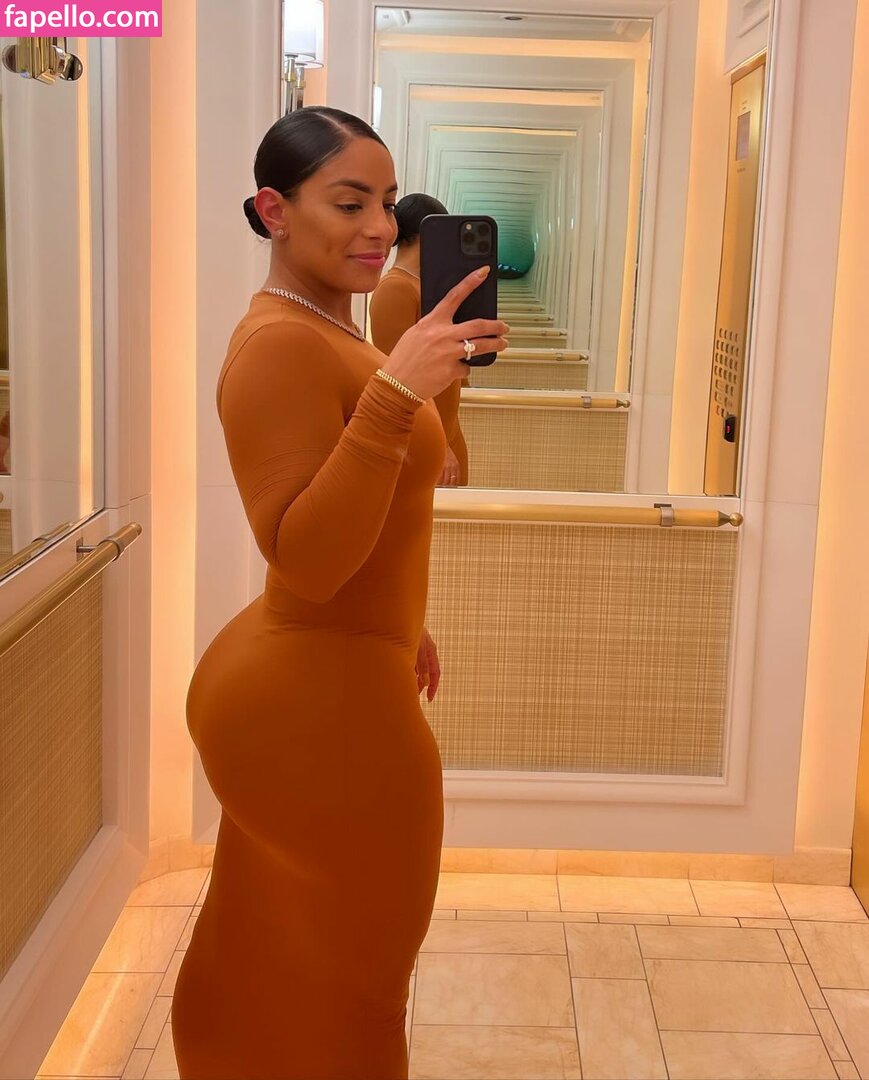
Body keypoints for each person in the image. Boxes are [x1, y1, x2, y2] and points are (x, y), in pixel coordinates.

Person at [170, 106, 509, 1080]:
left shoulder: (327, 330)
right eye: (347, 202)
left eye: (386, 203)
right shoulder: (277, 344)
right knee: (362, 988)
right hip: (314, 698)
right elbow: (304, 558)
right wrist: (398, 396)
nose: (377, 227)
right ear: (274, 211)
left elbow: (359, 520)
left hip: (326, 670)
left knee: (263, 942)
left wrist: (401, 617)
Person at [369, 193, 471, 486]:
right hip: (426, 436)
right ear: (427, 232)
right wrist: (438, 445)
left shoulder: (423, 287)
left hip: (446, 429)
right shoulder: (395, 289)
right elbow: (402, 381)